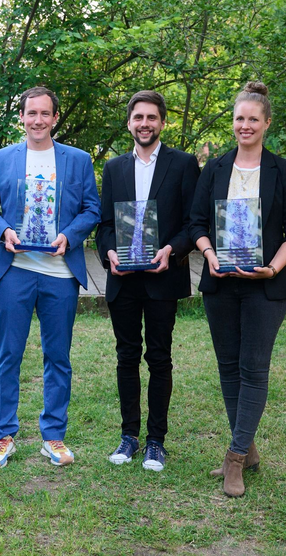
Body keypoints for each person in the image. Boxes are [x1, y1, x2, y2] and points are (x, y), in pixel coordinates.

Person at [190, 81, 286, 497]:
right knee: (227, 368)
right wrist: (208, 254)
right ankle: (248, 447)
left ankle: (235, 459)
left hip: (264, 288)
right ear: (233, 122)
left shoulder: (283, 171)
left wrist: (273, 268)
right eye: (239, 118)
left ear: (267, 123)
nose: (245, 125)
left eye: (253, 119)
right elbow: (196, 223)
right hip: (220, 284)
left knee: (253, 369)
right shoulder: (216, 168)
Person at [0, 86, 101, 468]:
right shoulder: (2, 159)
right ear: (21, 117)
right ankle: (3, 436)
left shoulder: (78, 160)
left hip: (60, 274)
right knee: (8, 355)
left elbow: (92, 210)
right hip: (15, 271)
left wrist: (70, 235)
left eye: (45, 114)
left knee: (58, 357)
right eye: (31, 113)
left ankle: (53, 436)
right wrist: (4, 232)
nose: (37, 120)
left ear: (55, 118)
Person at [96, 91, 200, 471]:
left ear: (162, 122)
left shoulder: (184, 164)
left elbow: (194, 223)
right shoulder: (113, 168)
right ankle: (129, 436)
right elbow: (105, 226)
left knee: (159, 357)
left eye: (151, 117)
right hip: (123, 278)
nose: (144, 123)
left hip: (161, 277)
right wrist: (109, 253)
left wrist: (170, 250)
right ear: (129, 123)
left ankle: (156, 440)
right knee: (126, 357)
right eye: (138, 117)